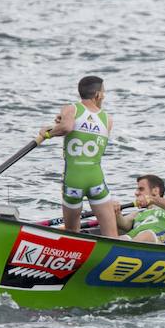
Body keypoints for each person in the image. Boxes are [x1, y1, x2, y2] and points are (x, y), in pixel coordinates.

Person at [37, 75, 117, 237]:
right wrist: (61, 124)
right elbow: (75, 128)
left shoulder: (71, 109)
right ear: (98, 95)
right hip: (96, 180)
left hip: (73, 181)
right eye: (104, 92)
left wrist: (48, 133)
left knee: (72, 232)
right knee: (112, 235)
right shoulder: (107, 119)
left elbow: (67, 127)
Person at [114, 175, 165, 243]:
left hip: (158, 241)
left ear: (155, 191)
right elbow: (123, 224)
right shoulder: (137, 213)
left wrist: (152, 199)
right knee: (124, 237)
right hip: (134, 239)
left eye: (141, 189)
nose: (136, 193)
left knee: (147, 235)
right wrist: (117, 212)